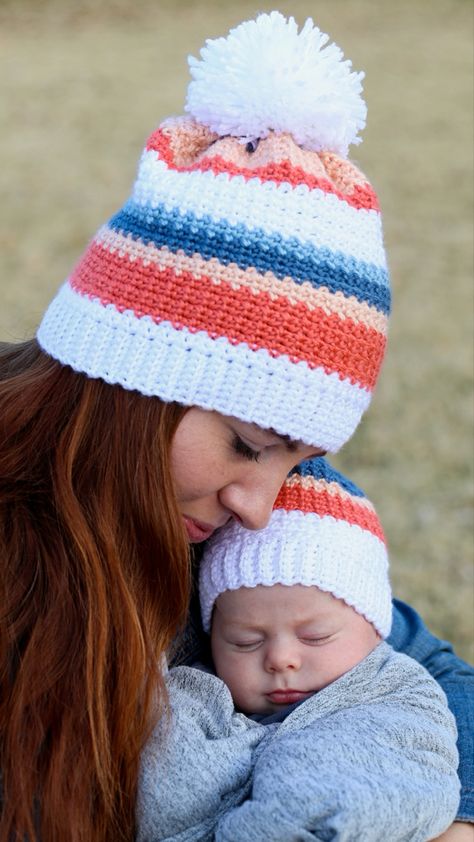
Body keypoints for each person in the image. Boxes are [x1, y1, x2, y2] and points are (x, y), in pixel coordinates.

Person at [0, 11, 472, 842]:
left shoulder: (236, 505)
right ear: (133, 381)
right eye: (250, 445)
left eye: (295, 460)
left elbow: (418, 667)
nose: (261, 504)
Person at [137, 457, 461, 841]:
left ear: (377, 630)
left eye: (315, 636)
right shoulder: (194, 692)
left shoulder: (396, 696)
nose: (280, 659)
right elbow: (163, 796)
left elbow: (335, 799)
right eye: (246, 641)